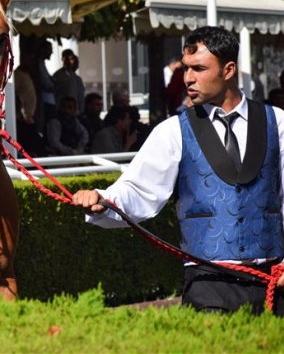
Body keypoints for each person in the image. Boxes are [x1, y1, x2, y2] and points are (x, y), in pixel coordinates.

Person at [72, 26, 284, 316]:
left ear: (229, 69)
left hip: (275, 281)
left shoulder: (278, 122)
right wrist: (101, 200)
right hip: (207, 285)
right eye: (185, 68)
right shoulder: (172, 131)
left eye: (198, 68)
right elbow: (138, 190)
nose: (187, 78)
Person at [13, 52, 47, 157]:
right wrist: (21, 112)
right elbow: (15, 95)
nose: (31, 63)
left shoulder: (28, 75)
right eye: (29, 60)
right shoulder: (17, 75)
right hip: (23, 117)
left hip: (31, 115)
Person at [31, 40, 55, 135]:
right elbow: (48, 85)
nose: (51, 52)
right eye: (49, 49)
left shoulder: (42, 65)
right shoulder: (39, 65)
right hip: (46, 101)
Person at [53, 49, 85, 115]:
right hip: (64, 110)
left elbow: (80, 95)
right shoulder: (59, 75)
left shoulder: (76, 78)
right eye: (67, 58)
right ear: (63, 59)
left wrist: (81, 110)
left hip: (76, 111)